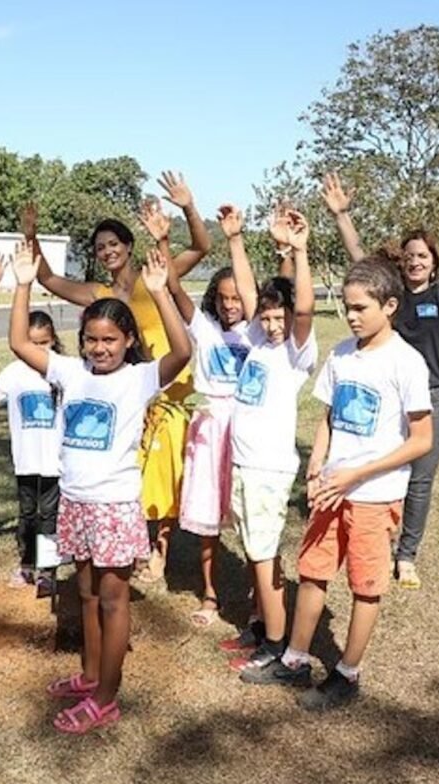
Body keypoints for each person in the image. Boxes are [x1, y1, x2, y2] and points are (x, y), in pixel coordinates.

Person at [11, 242, 192, 734]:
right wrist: (24, 283)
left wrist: (161, 294)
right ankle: (90, 676)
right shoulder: (71, 371)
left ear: (128, 340)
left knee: (113, 600)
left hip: (113, 507)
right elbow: (19, 345)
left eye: (110, 340)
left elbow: (183, 351)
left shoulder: (137, 379)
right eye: (91, 339)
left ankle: (107, 697)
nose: (99, 348)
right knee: (87, 594)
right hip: (76, 502)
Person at [241, 258, 433, 711]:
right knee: (313, 572)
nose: (351, 316)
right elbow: (328, 415)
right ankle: (295, 659)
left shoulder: (406, 362)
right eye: (347, 307)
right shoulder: (343, 353)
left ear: (389, 305)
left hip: (373, 494)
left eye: (361, 307)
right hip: (331, 488)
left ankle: (348, 672)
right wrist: (320, 462)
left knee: (365, 584)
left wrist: (358, 474)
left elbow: (421, 439)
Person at [22, 170, 211, 591]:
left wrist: (187, 206)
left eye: (113, 244)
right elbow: (49, 279)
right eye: (100, 247)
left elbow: (202, 246)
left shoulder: (153, 276)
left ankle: (158, 548)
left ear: (129, 246)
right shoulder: (97, 295)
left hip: (162, 385)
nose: (107, 251)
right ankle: (135, 545)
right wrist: (31, 236)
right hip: (121, 392)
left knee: (162, 473)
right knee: (129, 471)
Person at [321, 173, 439, 589]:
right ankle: (375, 537)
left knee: (420, 480)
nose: (415, 261)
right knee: (378, 471)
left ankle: (406, 556)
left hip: (434, 399)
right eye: (409, 255)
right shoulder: (391, 297)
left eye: (422, 255)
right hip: (388, 401)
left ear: (433, 261)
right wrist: (342, 215)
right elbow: (359, 256)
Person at [223, 209, 317, 674]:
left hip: (267, 470)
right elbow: (245, 289)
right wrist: (236, 239)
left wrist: (299, 252)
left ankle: (278, 647)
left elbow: (303, 307)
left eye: (279, 317)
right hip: (244, 464)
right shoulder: (259, 340)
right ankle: (261, 627)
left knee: (264, 556)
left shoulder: (295, 351)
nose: (274, 324)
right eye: (268, 316)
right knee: (252, 551)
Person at [173, 205, 259, 627]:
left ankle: (257, 594)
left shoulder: (258, 333)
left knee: (247, 514)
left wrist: (238, 238)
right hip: (209, 427)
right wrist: (161, 239)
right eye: (223, 298)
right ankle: (209, 593)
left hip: (245, 428)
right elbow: (172, 288)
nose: (230, 305)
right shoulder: (204, 329)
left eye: (237, 297)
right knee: (208, 514)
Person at [0, 310, 65, 597]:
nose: (39, 349)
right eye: (32, 343)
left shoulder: (63, 370)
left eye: (44, 342)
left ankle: (48, 572)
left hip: (55, 462)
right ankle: (27, 564)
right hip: (26, 460)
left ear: (53, 341)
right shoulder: (15, 372)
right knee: (27, 514)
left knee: (49, 516)